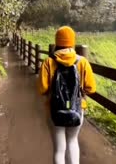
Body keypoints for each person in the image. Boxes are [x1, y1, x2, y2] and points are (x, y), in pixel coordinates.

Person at [38, 26, 96, 164]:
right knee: (72, 141)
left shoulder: (49, 62)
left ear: (57, 41)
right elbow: (91, 88)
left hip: (54, 109)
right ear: (72, 41)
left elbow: (42, 88)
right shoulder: (82, 62)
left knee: (59, 149)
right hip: (76, 109)